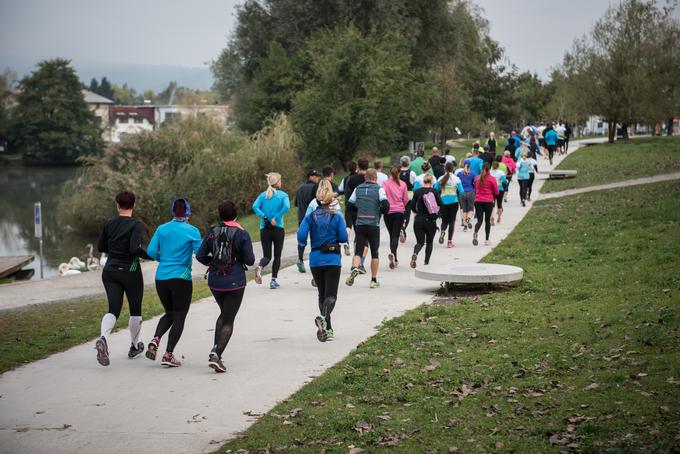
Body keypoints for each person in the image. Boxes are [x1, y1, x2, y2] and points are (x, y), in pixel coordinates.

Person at [196, 200, 255, 373]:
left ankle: (217, 353)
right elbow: (250, 260)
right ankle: (216, 353)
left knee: (223, 314)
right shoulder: (242, 233)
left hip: (215, 281)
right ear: (235, 215)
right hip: (235, 281)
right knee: (229, 319)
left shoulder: (211, 232)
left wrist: (213, 262)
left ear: (219, 215)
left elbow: (200, 255)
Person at [94, 191, 152, 366]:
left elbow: (101, 246)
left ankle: (103, 338)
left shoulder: (108, 223)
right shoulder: (136, 225)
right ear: (133, 205)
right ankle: (135, 346)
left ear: (117, 205)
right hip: (130, 270)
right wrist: (151, 256)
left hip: (110, 270)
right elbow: (135, 249)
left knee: (113, 309)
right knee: (135, 310)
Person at [145, 198, 202, 367]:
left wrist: (162, 259)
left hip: (161, 277)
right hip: (181, 278)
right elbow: (200, 254)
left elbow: (150, 251)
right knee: (179, 316)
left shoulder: (162, 229)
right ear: (188, 213)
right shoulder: (193, 231)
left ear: (172, 212)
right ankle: (168, 354)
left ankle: (156, 339)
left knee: (169, 313)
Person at [297, 180, 348, 342]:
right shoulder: (337, 216)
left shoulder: (310, 217)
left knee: (322, 294)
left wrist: (305, 243)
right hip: (332, 259)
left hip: (316, 260)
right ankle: (324, 318)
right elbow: (343, 237)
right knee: (331, 295)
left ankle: (328, 328)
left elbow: (301, 236)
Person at [345, 169, 389, 288]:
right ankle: (373, 280)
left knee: (358, 251)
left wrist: (357, 211)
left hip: (360, 224)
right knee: (375, 253)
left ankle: (354, 268)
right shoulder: (379, 189)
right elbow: (386, 205)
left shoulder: (357, 189)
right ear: (375, 178)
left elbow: (349, 205)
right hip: (373, 224)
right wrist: (381, 211)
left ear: (365, 178)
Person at [252, 172, 290, 289]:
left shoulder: (263, 195)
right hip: (278, 228)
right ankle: (273, 281)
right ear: (277, 182)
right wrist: (276, 217)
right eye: (280, 180)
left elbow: (255, 206)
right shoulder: (283, 195)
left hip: (265, 228)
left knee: (267, 256)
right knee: (277, 256)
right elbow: (287, 207)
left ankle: (260, 267)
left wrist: (265, 217)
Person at [410, 174, 443, 268]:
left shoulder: (417, 191)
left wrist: (416, 212)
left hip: (419, 220)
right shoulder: (435, 191)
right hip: (430, 221)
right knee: (429, 242)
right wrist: (437, 215)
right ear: (432, 182)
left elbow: (412, 205)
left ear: (423, 181)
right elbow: (441, 204)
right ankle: (426, 263)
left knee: (419, 242)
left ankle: (415, 253)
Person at [294, 170, 322, 273]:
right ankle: (316, 260)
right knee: (315, 239)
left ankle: (300, 259)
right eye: (316, 176)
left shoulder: (300, 188)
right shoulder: (317, 188)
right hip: (315, 218)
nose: (318, 178)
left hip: (302, 217)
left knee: (302, 239)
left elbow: (296, 203)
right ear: (311, 177)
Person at [344, 158, 369, 268]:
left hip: (354, 210)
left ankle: (356, 259)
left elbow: (348, 196)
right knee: (365, 238)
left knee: (358, 235)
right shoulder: (369, 179)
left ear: (358, 167)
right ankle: (361, 263)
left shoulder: (351, 179)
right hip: (366, 210)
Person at [382, 166, 409, 269]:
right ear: (399, 173)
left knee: (391, 235)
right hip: (399, 212)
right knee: (395, 236)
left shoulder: (385, 183)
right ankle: (394, 255)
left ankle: (394, 257)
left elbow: (382, 195)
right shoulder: (403, 184)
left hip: (388, 212)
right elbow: (406, 199)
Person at [435, 162, 464, 248]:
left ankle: (443, 230)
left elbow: (435, 188)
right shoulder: (456, 179)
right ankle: (449, 242)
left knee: (444, 220)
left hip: (443, 202)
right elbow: (462, 191)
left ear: (445, 169)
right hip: (454, 202)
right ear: (453, 169)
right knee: (452, 221)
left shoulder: (441, 178)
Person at [473, 163, 499, 247]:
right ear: (489, 169)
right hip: (488, 201)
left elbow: (475, 189)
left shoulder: (477, 178)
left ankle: (476, 232)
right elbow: (496, 192)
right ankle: (487, 240)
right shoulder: (492, 179)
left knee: (479, 221)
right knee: (487, 221)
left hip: (478, 201)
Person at [338, 160, 358, 256]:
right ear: (356, 168)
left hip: (348, 206)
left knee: (348, 226)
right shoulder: (359, 178)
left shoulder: (345, 179)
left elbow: (340, 190)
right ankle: (356, 251)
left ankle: (346, 242)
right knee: (358, 229)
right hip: (358, 207)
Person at [454, 159, 476, 231]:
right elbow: (475, 183)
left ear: (464, 165)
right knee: (471, 209)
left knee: (464, 209)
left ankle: (465, 226)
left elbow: (456, 183)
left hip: (462, 193)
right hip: (471, 192)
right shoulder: (472, 174)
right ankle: (468, 219)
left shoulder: (459, 174)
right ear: (470, 166)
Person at [398, 156, 416, 243]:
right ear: (409, 163)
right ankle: (403, 228)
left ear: (401, 163)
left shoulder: (397, 173)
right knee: (407, 214)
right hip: (409, 196)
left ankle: (400, 229)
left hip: (398, 196)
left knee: (399, 214)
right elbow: (414, 185)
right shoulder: (412, 173)